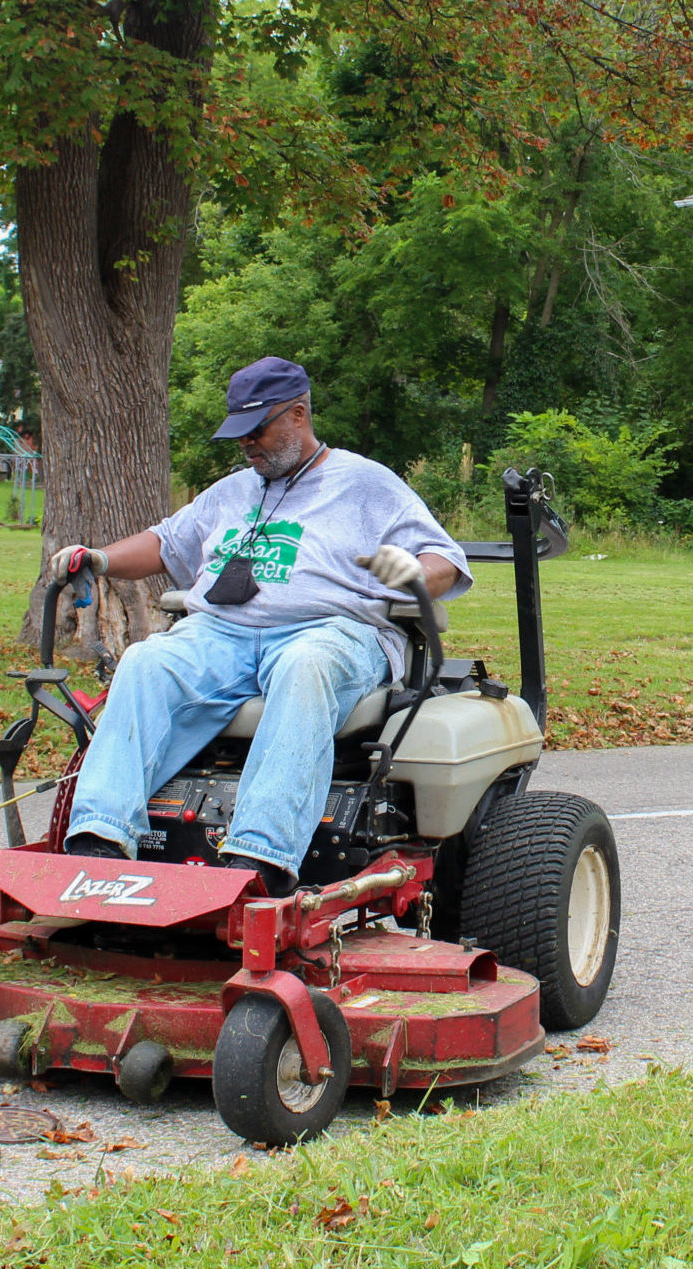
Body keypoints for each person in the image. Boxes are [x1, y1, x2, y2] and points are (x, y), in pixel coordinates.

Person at [47, 357, 470, 896]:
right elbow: (164, 543)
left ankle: (258, 859)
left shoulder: (366, 483)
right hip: (222, 634)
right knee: (146, 660)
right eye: (238, 433)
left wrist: (414, 572)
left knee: (304, 665)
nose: (246, 444)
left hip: (328, 633)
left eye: (257, 429)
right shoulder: (231, 490)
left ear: (298, 414)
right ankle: (99, 841)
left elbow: (447, 559)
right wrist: (99, 559)